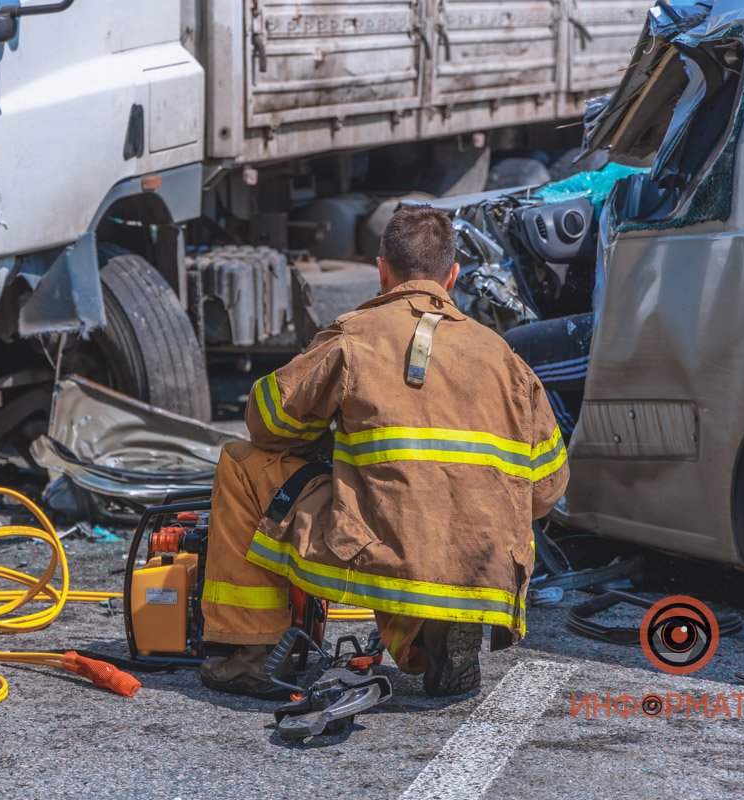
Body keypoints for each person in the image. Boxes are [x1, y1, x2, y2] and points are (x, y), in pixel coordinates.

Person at [198, 205, 569, 699]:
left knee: (241, 464)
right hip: (484, 567)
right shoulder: (505, 358)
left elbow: (265, 422)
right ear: (452, 277)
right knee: (413, 513)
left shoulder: (355, 337)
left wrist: (327, 435)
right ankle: (434, 633)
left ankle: (250, 652)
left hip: (385, 553)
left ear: (382, 271)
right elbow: (547, 489)